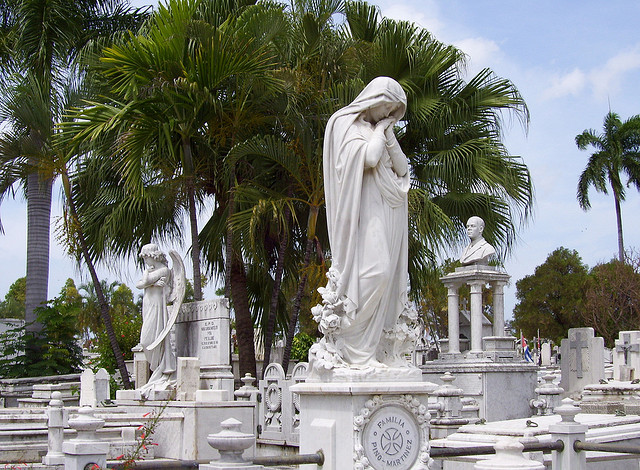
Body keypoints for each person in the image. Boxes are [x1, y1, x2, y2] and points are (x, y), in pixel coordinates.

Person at [311, 76, 412, 370]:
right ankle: (353, 347)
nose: (389, 116)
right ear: (375, 99)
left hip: (389, 208)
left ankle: (373, 350)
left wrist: (387, 134)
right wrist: (381, 131)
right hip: (364, 209)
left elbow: (402, 168)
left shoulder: (379, 129)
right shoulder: (345, 123)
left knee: (388, 275)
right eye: (387, 109)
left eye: (395, 112)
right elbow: (368, 158)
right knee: (376, 271)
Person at [137, 243, 176, 393]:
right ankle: (158, 371)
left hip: (157, 308)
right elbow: (138, 284)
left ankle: (161, 369)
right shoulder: (154, 271)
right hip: (147, 305)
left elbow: (144, 282)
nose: (146, 261)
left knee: (146, 341)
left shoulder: (164, 270)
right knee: (147, 340)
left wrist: (148, 278)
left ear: (153, 256)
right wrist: (150, 282)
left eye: (146, 258)